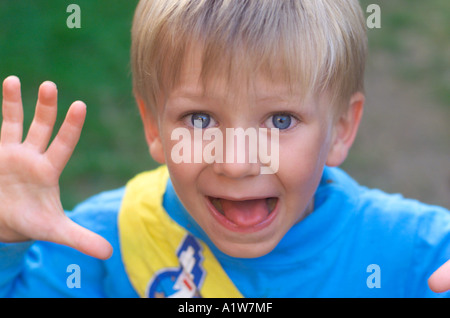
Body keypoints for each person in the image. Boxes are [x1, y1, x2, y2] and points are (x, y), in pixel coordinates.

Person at [0, 0, 449, 298]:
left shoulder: (417, 253)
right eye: (200, 120)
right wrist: (5, 239)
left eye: (280, 121)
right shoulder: (101, 243)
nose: (236, 163)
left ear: (341, 128)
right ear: (153, 125)